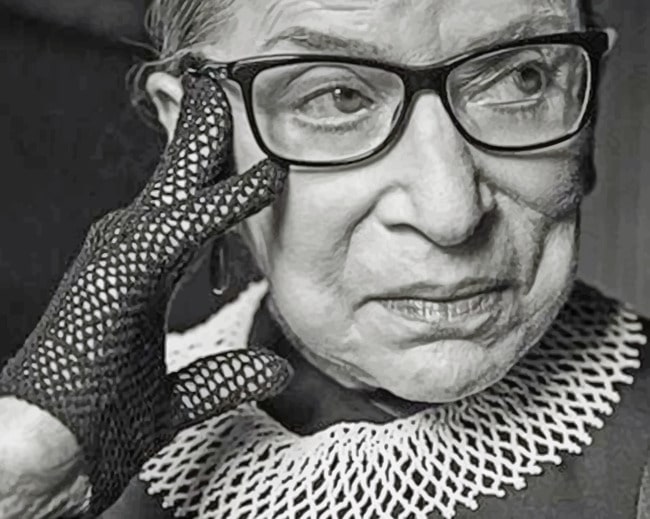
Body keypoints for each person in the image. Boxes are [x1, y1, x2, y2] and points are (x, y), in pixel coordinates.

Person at [1, 0, 650, 518]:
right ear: (196, 140)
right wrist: (22, 477)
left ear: (590, 103)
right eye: (338, 97)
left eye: (521, 79)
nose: (450, 213)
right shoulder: (96, 460)